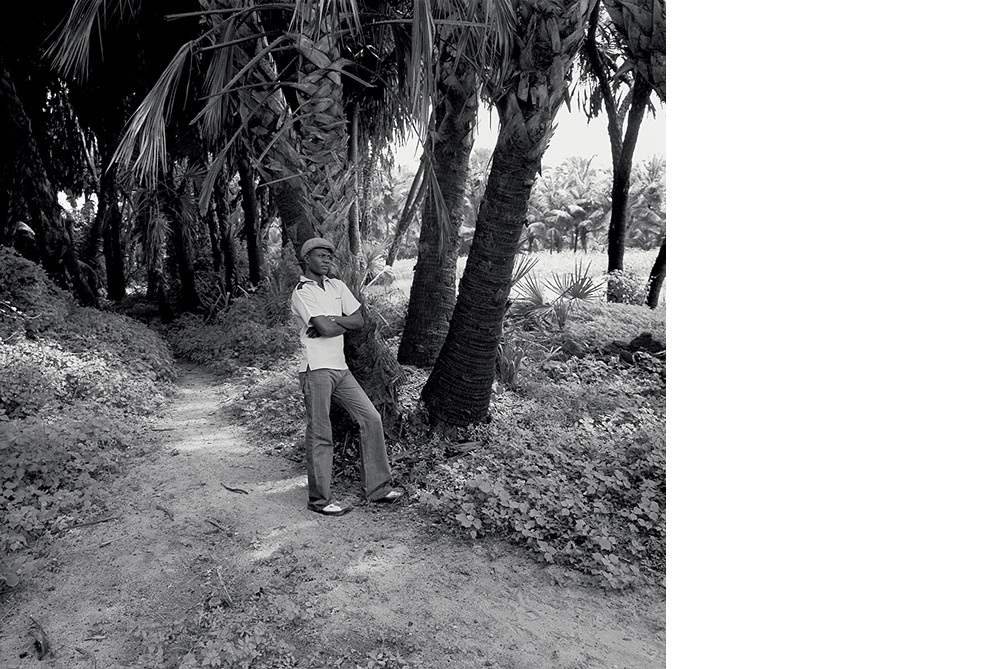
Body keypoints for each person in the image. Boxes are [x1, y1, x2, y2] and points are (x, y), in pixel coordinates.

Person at [290, 237, 403, 516]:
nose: (327, 259)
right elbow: (325, 330)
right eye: (320, 255)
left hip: (340, 369)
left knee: (371, 418)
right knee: (320, 432)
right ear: (307, 259)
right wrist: (334, 323)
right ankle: (320, 501)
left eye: (329, 255)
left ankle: (377, 489)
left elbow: (358, 320)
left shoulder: (337, 286)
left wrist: (332, 320)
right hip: (316, 369)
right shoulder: (302, 292)